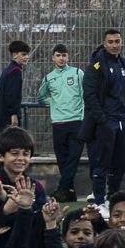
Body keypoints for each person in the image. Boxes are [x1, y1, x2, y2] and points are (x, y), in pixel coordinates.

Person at [84, 28, 125, 204]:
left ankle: (114, 198)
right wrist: (103, 121)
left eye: (117, 41)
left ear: (121, 42)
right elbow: (89, 96)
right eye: (110, 42)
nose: (114, 45)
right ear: (105, 44)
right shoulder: (96, 65)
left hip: (122, 121)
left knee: (119, 164)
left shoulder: (124, 64)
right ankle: (98, 201)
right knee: (101, 164)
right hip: (104, 123)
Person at [35, 43, 86, 197]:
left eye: (64, 55)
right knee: (63, 159)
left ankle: (61, 190)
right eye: (58, 55)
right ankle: (69, 192)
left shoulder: (77, 73)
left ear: (68, 56)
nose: (61, 58)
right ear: (53, 58)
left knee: (73, 157)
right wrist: (54, 103)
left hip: (77, 121)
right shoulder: (49, 78)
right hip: (58, 123)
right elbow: (41, 97)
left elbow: (86, 94)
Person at [0, 39, 31, 131]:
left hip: (1, 114)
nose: (27, 57)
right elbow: (12, 95)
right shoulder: (15, 71)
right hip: (9, 117)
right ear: (14, 55)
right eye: (23, 54)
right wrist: (14, 114)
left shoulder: (7, 70)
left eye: (27, 54)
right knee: (14, 144)